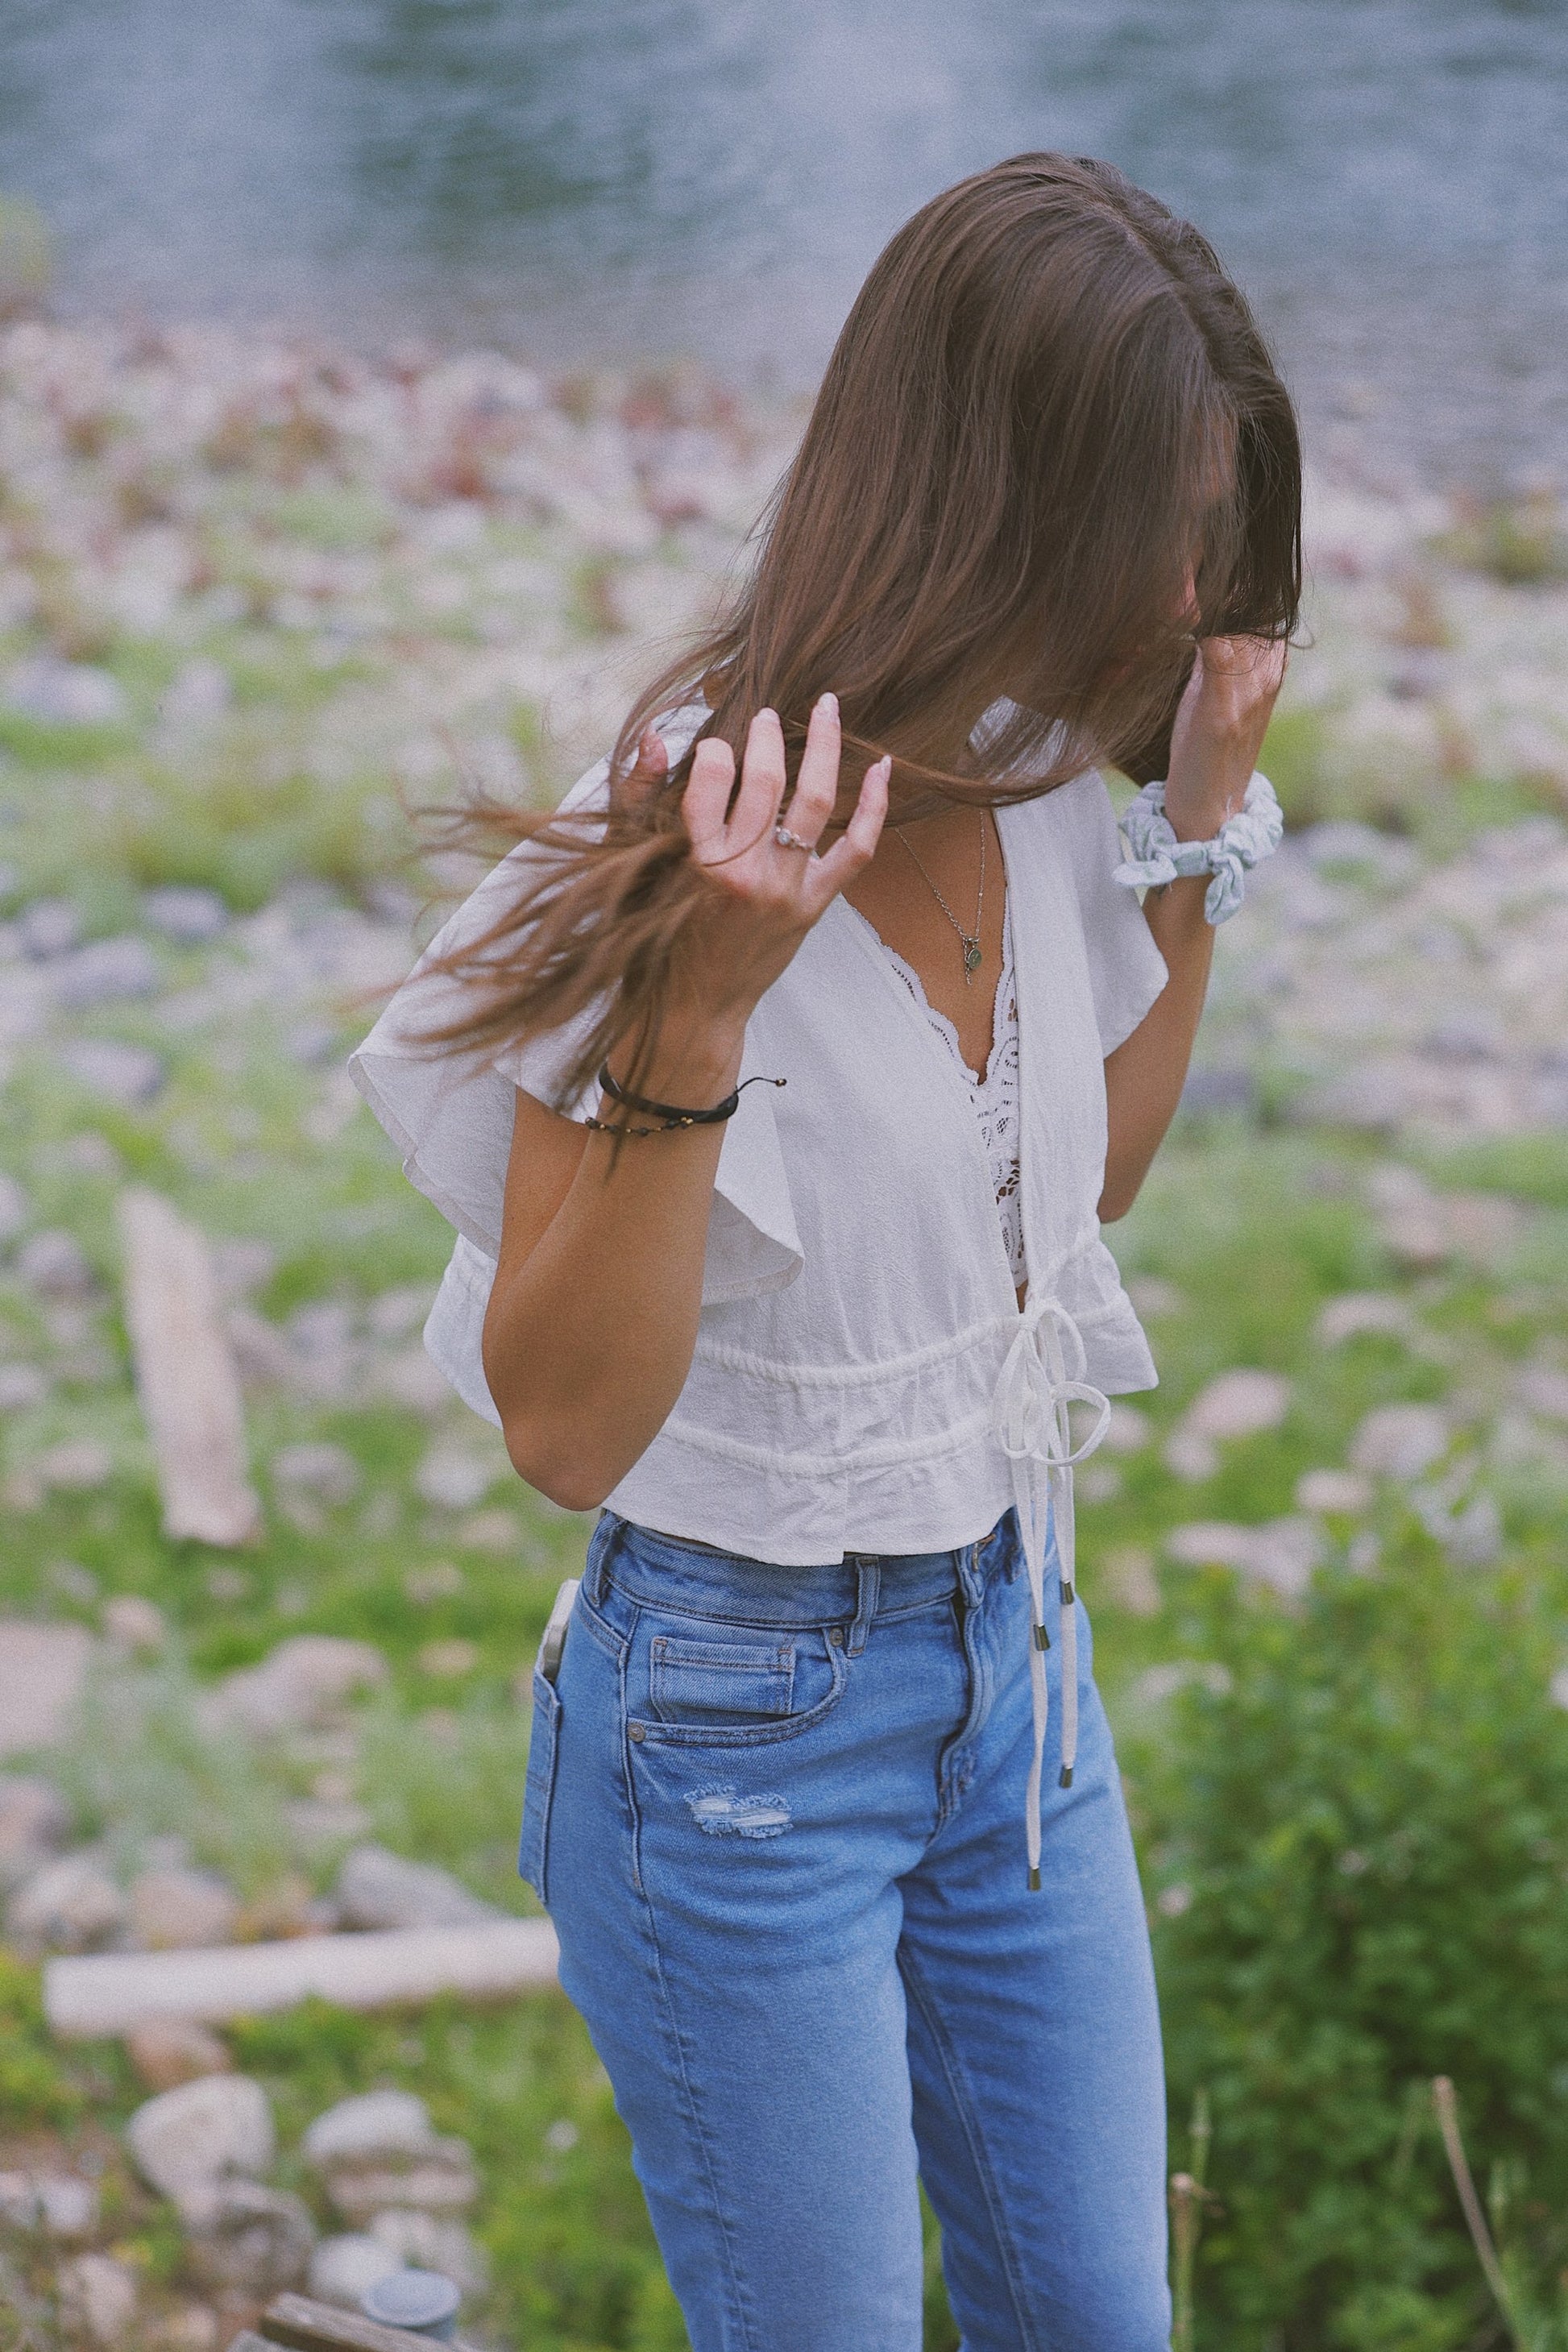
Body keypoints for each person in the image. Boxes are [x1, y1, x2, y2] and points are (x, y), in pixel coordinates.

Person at [352, 151, 1300, 2352]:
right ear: (986, 505)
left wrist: (1183, 858)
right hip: (731, 1728)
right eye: (1150, 536)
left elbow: (1085, 1201)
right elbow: (564, 1427)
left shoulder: (1061, 781)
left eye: (1214, 537)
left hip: (1018, 1670)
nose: (1183, 591)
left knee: (1098, 2324)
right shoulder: (687, 833)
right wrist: (692, 1018)